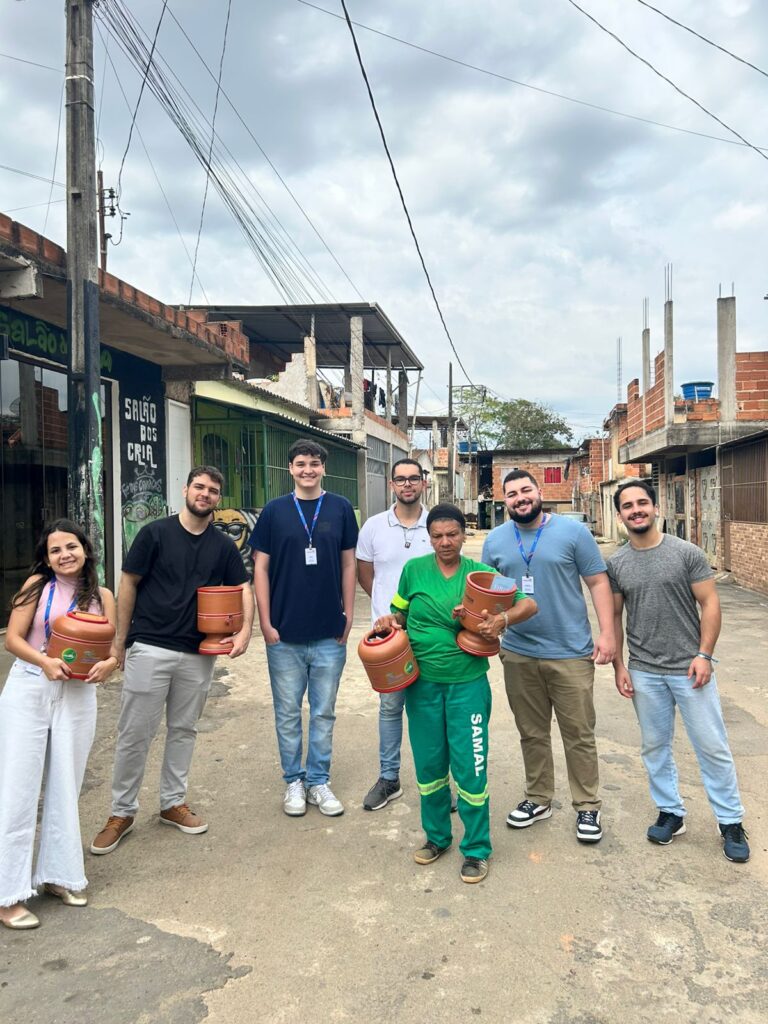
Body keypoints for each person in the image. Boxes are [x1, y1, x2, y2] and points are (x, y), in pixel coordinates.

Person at [91, 466, 253, 855]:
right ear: (185, 489)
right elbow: (128, 583)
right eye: (199, 487)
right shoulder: (154, 534)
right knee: (135, 732)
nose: (205, 494)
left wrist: (246, 630)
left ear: (218, 499)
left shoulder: (222, 546)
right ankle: (121, 812)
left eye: (212, 490)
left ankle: (172, 803)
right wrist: (120, 643)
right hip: (151, 645)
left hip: (198, 653)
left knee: (183, 730)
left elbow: (243, 587)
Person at [375, 504, 537, 884]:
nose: (445, 542)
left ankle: (476, 849)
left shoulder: (480, 577)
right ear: (428, 537)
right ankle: (437, 837)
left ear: (464, 535)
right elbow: (400, 613)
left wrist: (502, 619)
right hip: (422, 685)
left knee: (470, 767)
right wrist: (390, 620)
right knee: (430, 768)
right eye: (437, 536)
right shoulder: (414, 571)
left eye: (452, 534)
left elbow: (529, 603)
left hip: (467, 687)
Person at [608, 480, 750, 863]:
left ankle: (730, 821)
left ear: (656, 508)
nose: (636, 510)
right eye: (627, 506)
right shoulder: (617, 564)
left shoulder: (686, 553)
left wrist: (705, 655)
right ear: (620, 515)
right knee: (654, 746)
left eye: (642, 503)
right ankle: (670, 811)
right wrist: (619, 665)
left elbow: (710, 603)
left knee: (712, 746)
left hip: (690, 668)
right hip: (644, 670)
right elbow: (615, 617)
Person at [481, 470, 615, 844]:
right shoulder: (495, 540)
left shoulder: (573, 533)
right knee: (532, 732)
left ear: (539, 492)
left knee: (578, 733)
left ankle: (587, 805)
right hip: (519, 652)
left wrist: (608, 633)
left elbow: (597, 582)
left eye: (526, 490)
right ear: (504, 500)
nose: (520, 498)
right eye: (512, 494)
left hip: (570, 651)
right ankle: (538, 798)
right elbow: (492, 591)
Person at [0, 520, 117, 929]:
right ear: (47, 559)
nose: (65, 554)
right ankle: (7, 894)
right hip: (31, 687)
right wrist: (44, 661)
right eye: (55, 550)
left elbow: (111, 648)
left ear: (85, 549)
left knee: (67, 784)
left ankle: (58, 875)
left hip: (79, 694)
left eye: (71, 546)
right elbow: (13, 639)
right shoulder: (36, 586)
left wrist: (109, 665)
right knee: (18, 788)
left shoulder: (103, 595)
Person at [251, 439, 358, 817]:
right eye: (300, 464)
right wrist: (265, 622)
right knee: (287, 713)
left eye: (314, 463)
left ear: (323, 468)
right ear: (290, 469)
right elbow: (260, 568)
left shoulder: (340, 508)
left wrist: (348, 615)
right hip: (283, 633)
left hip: (329, 631)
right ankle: (294, 781)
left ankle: (318, 781)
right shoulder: (274, 511)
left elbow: (349, 564)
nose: (307, 470)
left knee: (324, 712)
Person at [356, 458, 431, 810]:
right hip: (388, 639)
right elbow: (366, 574)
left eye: (413, 478)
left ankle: (436, 781)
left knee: (429, 710)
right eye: (400, 479)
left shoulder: (437, 524)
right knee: (390, 708)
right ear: (391, 485)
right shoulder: (373, 526)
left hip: (430, 635)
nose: (407, 485)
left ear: (423, 483)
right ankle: (389, 778)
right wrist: (387, 612)